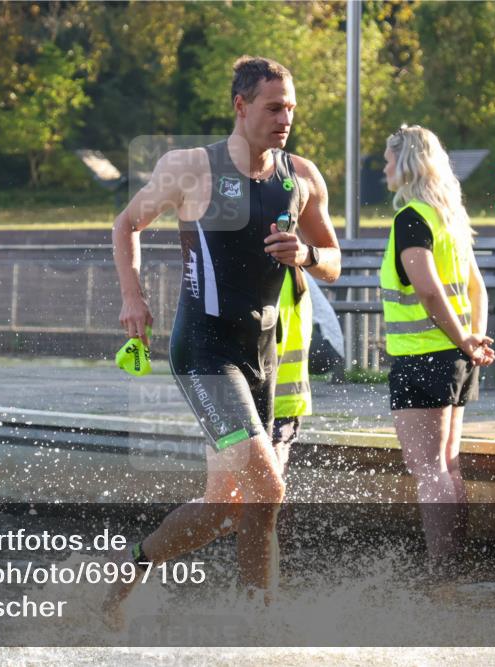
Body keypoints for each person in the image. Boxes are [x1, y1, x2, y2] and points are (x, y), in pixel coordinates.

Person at [105, 56, 340, 627]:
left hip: (263, 355)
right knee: (268, 488)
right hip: (205, 351)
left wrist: (306, 256)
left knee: (224, 509)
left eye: (290, 108)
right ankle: (262, 626)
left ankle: (130, 570)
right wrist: (133, 297)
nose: (285, 118)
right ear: (241, 105)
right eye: (273, 107)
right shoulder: (190, 168)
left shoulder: (301, 177)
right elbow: (126, 224)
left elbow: (332, 259)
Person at [380, 125, 495, 566]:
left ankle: (441, 568)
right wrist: (472, 342)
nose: (385, 168)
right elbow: (476, 288)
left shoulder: (411, 218)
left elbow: (428, 291)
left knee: (428, 469)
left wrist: (465, 340)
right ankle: (454, 562)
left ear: (406, 163)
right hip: (455, 357)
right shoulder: (448, 216)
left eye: (389, 160)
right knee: (448, 464)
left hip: (422, 358)